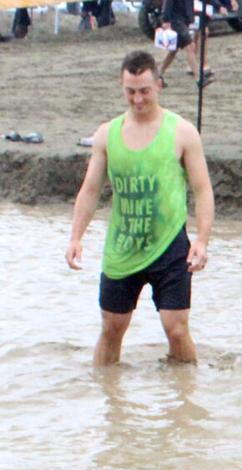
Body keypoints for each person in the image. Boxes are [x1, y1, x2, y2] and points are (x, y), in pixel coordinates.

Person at [66, 50, 214, 368]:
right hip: (123, 247)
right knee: (112, 329)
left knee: (176, 329)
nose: (137, 100)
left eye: (144, 91)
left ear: (159, 85)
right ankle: (108, 399)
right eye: (130, 92)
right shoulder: (107, 135)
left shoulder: (183, 132)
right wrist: (76, 237)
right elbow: (91, 190)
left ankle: (186, 395)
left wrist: (202, 241)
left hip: (170, 246)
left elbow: (202, 190)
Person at [157, 0, 211, 88]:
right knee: (189, 47)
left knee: (173, 50)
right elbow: (168, 3)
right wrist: (165, 20)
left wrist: (191, 19)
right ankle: (199, 79)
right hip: (176, 21)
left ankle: (158, 74)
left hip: (182, 21)